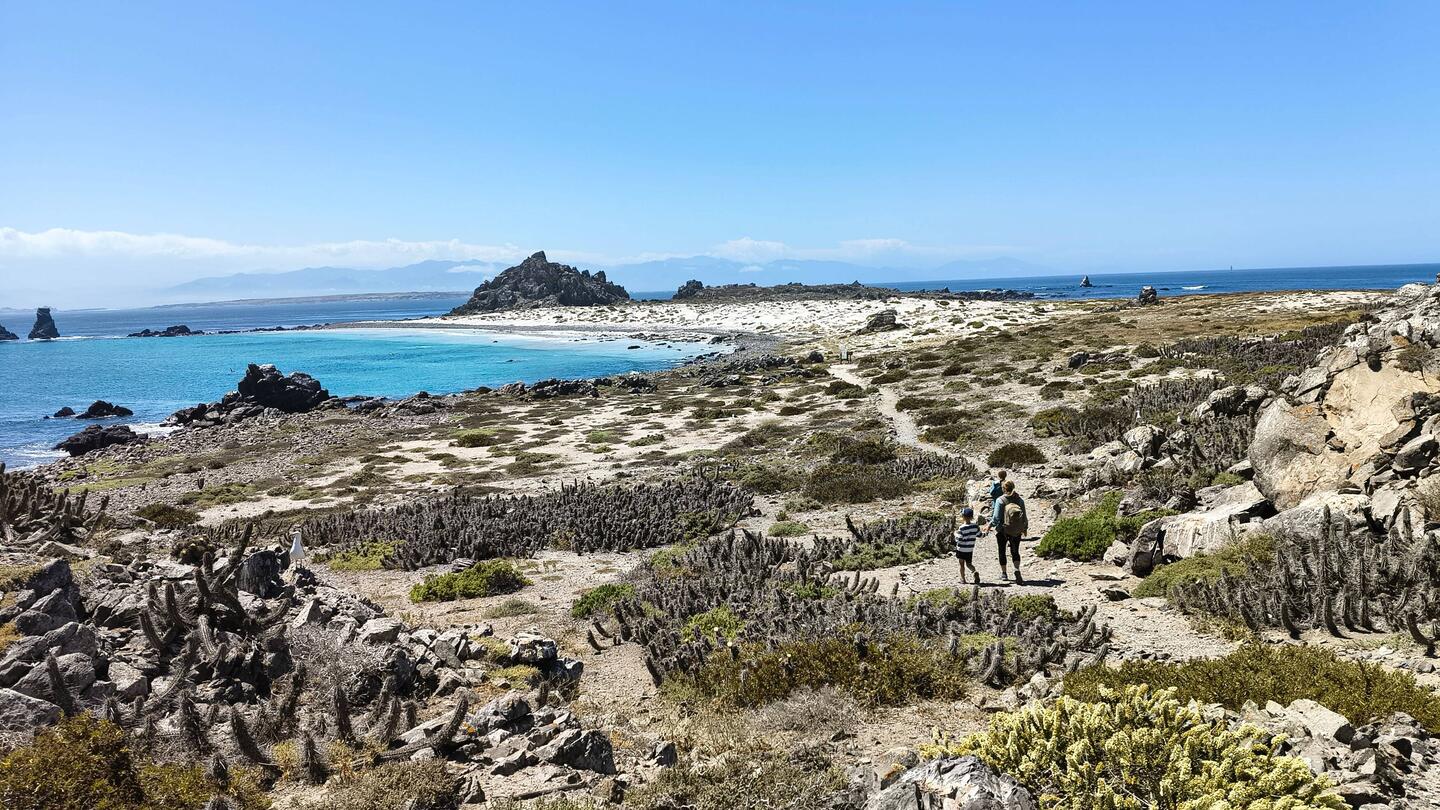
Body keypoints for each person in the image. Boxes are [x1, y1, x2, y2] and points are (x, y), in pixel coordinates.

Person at [995, 480, 1028, 583]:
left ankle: (1004, 574)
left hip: (1003, 529)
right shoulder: (1019, 500)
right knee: (1015, 551)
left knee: (1002, 551)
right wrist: (1025, 528)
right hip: (1016, 529)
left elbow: (996, 517)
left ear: (1004, 489)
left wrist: (990, 526)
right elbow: (1024, 516)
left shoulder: (1000, 500)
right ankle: (1017, 570)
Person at [953, 507, 981, 585]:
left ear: (963, 517)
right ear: (972, 517)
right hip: (969, 549)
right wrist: (986, 532)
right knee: (969, 564)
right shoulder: (975, 526)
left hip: (961, 549)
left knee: (961, 565)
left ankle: (963, 579)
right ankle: (974, 571)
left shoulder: (962, 528)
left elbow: (958, 539)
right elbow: (980, 535)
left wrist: (955, 534)